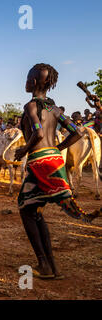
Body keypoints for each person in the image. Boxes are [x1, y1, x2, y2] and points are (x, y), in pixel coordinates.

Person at [14, 63, 100, 279]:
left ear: (33, 82)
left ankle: (45, 265)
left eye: (27, 78)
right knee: (35, 210)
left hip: (40, 164)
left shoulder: (31, 106)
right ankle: (50, 266)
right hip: (55, 162)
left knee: (26, 209)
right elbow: (78, 132)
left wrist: (23, 150)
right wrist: (58, 149)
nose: (26, 81)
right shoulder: (55, 109)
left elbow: (39, 134)